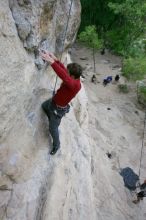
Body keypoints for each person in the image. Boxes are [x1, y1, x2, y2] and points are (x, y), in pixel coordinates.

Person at [40, 51, 82, 155]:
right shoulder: (74, 78)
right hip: (54, 102)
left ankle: (56, 145)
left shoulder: (74, 85)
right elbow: (64, 71)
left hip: (58, 109)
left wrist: (52, 62)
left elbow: (64, 75)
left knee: (52, 128)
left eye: (69, 73)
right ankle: (52, 118)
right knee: (44, 106)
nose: (67, 72)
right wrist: (56, 60)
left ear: (72, 76)